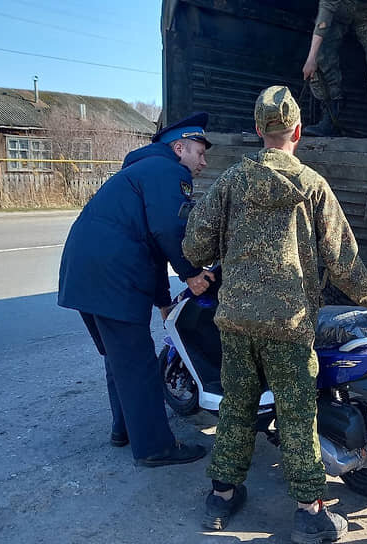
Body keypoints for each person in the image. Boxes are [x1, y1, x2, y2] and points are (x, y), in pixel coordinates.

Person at [183, 85, 367, 543]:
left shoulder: (229, 183)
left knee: (237, 408)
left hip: (238, 322)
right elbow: (342, 258)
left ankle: (220, 498)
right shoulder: (312, 186)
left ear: (258, 131)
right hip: (289, 325)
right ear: (298, 131)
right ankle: (309, 512)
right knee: (298, 416)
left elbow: (194, 247)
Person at [57, 113, 216, 467]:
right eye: (200, 153)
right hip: (113, 275)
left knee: (120, 357)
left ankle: (125, 430)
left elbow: (152, 246)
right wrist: (191, 272)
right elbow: (167, 231)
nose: (203, 163)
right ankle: (156, 447)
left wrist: (162, 299)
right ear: (179, 148)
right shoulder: (167, 171)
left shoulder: (138, 171)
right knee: (139, 363)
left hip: (85, 273)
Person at [301, 0, 367, 138]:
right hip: (340, 9)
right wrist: (311, 58)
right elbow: (325, 12)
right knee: (322, 50)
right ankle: (330, 117)